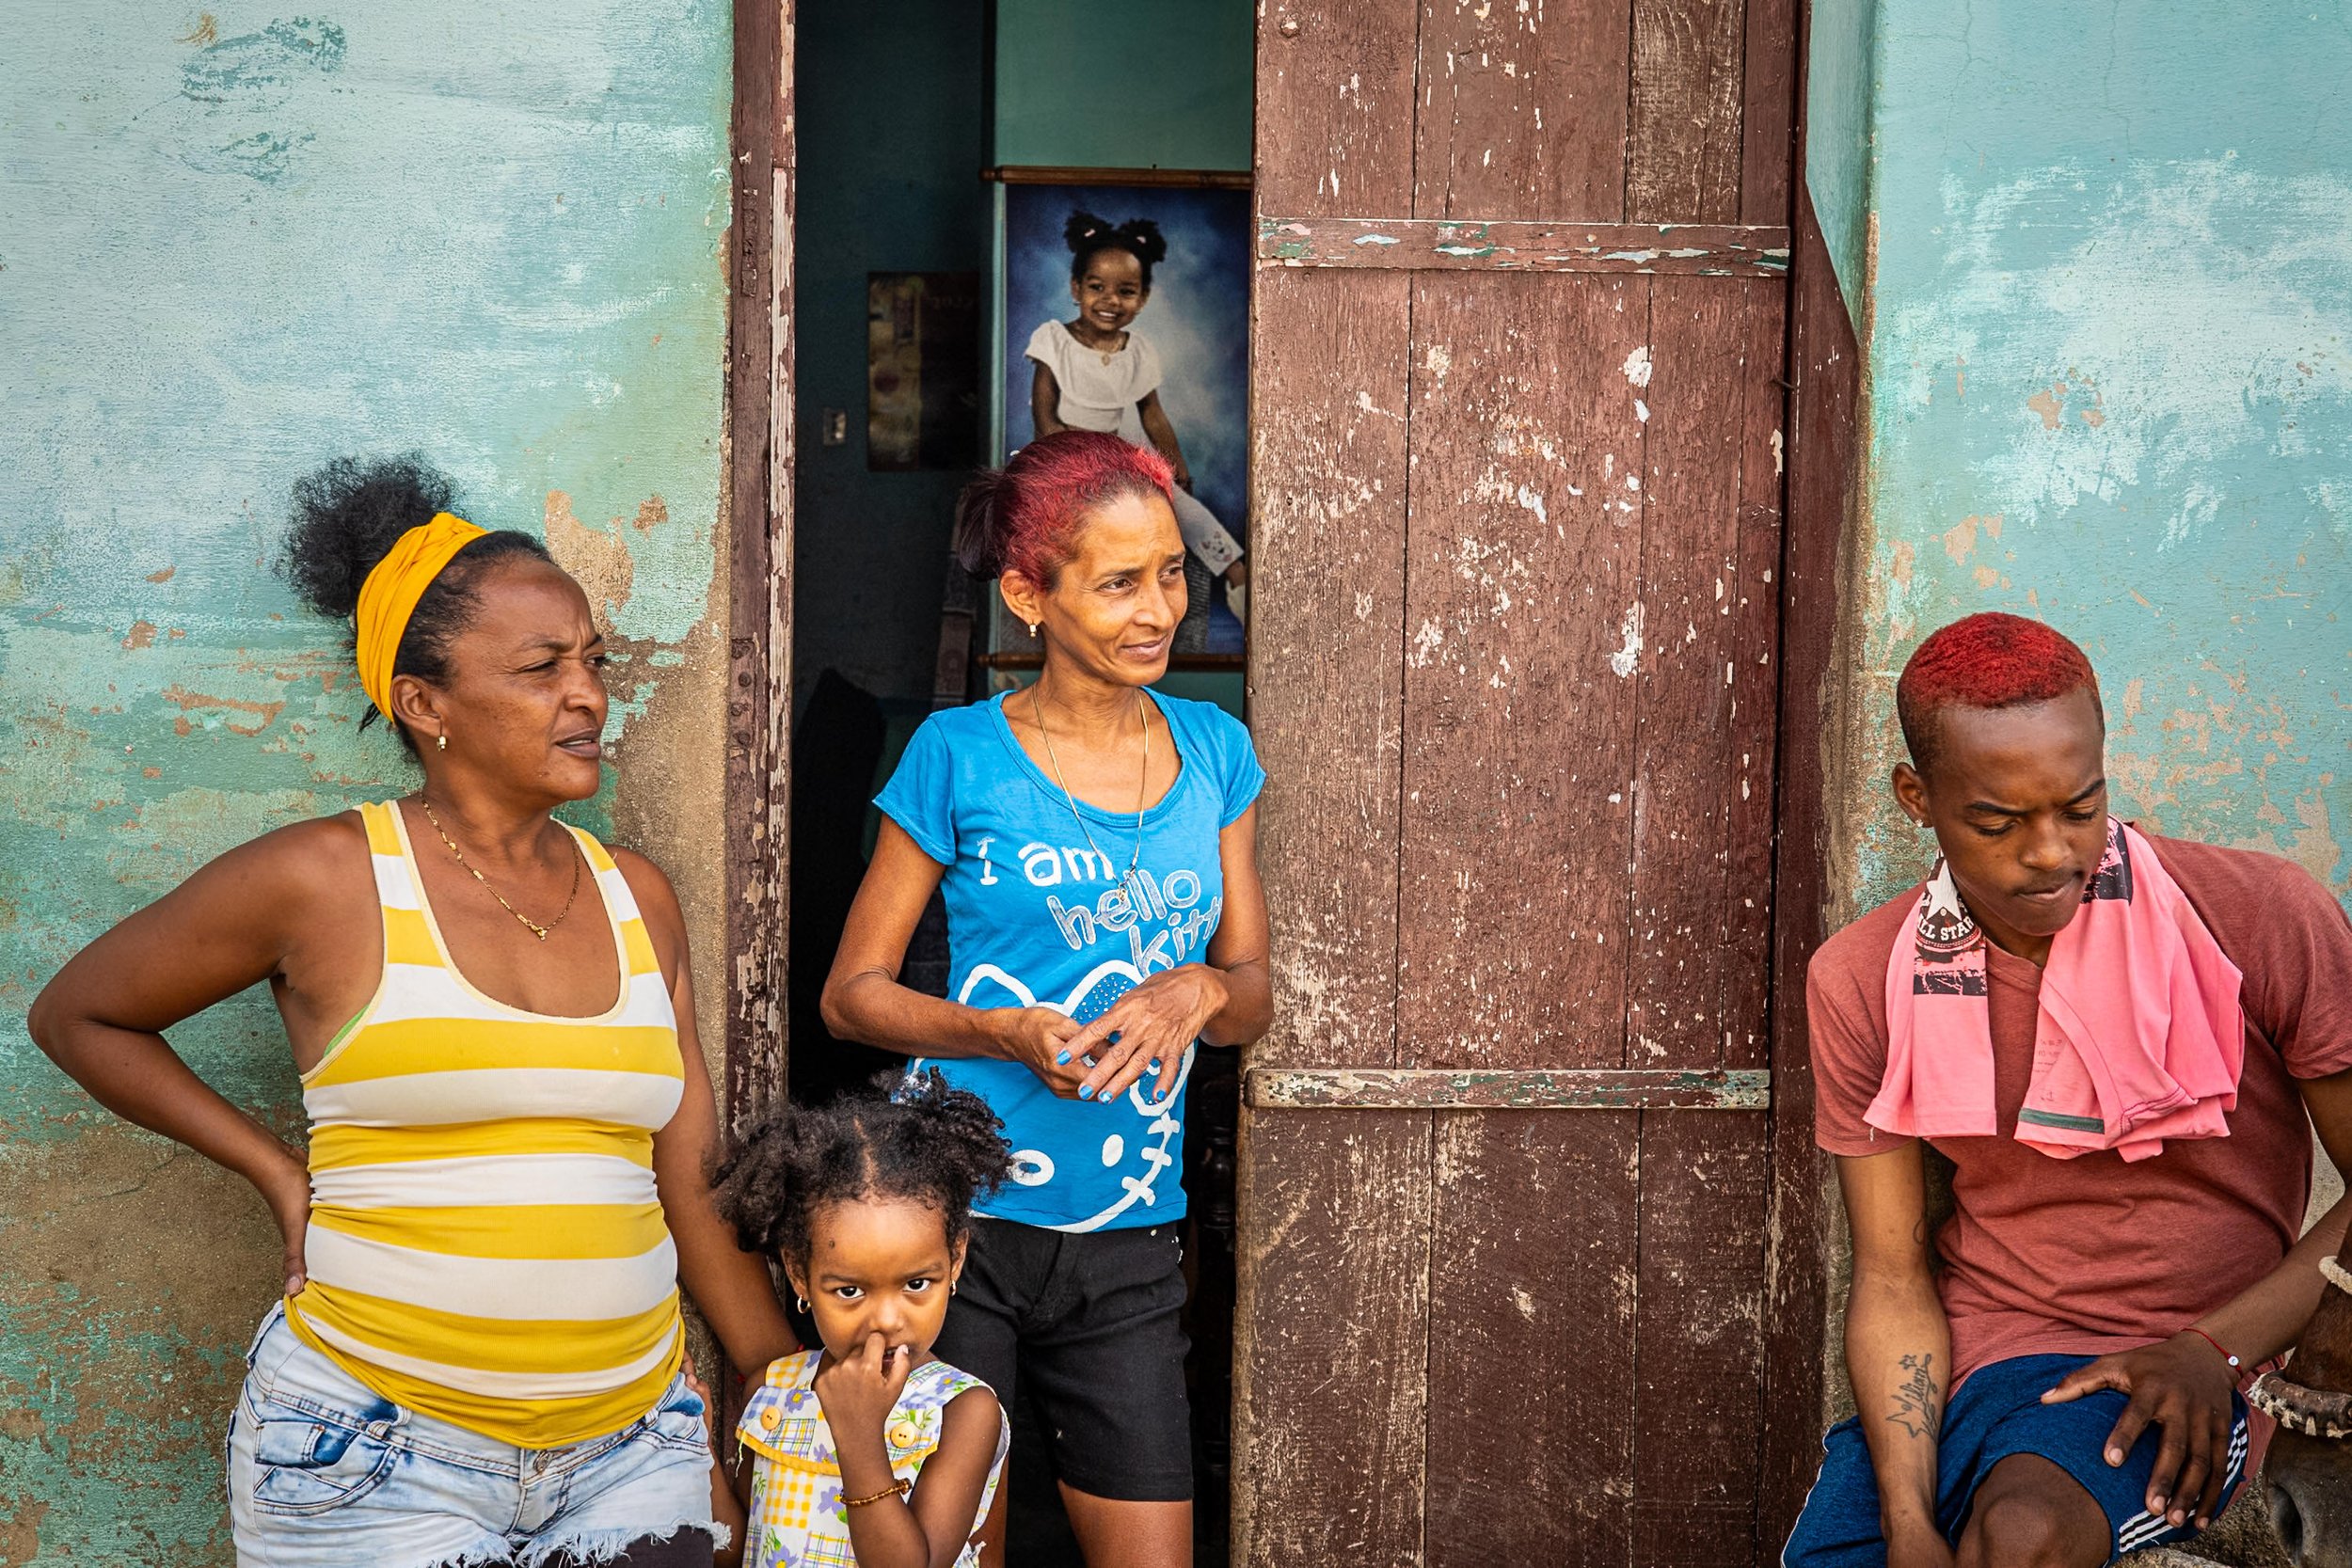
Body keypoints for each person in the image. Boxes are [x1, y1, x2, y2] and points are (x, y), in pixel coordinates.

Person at [28, 455, 797, 1568]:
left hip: (633, 1449)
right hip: (372, 1452)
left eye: (593, 660)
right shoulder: (327, 880)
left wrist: (777, 1380)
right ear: (424, 702)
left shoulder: (639, 896)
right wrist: (276, 1170)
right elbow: (79, 1014)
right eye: (542, 668)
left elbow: (685, 1173)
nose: (587, 693)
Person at [1785, 612, 2352, 1567]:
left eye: (2079, 807)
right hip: (1989, 1361)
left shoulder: (2259, 916)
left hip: (2214, 1354)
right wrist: (1909, 1517)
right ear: (1916, 796)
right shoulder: (1860, 977)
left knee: (2019, 1536)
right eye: (1998, 821)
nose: (2050, 852)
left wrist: (2211, 1349)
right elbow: (1890, 1276)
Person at [820, 430, 1273, 1567]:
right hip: (952, 1228)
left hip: (1126, 1233)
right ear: (1029, 593)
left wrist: (1201, 985)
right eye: (1118, 581)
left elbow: (1253, 997)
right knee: (949, 1547)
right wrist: (1002, 1032)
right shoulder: (958, 752)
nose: (1158, 607)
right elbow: (850, 996)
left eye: (1170, 571)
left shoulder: (1215, 750)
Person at [699, 1070, 1014, 1568]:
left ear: (955, 1260)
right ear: (799, 1276)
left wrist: (860, 1436)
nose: (886, 1319)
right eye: (849, 1290)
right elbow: (737, 1551)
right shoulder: (773, 1391)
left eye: (916, 1284)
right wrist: (701, 1457)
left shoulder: (963, 1413)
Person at [1025, 210, 1248, 651]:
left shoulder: (1138, 350)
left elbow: (1153, 415)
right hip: (1064, 461)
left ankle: (1246, 601)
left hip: (1119, 461)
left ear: (1143, 298)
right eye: (1096, 288)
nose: (1110, 301)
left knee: (1192, 518)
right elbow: (1044, 417)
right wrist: (1082, 460)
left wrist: (1174, 465)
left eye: (1126, 291)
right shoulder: (1054, 340)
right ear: (1075, 288)